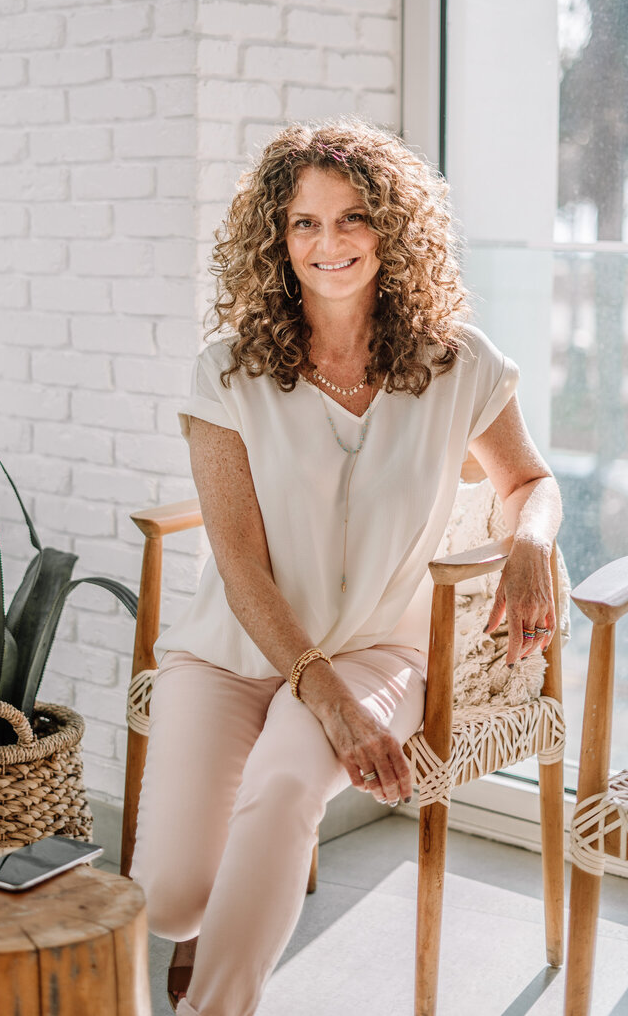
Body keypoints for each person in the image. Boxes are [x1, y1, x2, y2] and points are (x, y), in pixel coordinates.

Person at [131, 119, 561, 1016]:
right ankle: (208, 925)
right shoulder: (229, 372)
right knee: (171, 898)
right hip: (230, 649)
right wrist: (316, 688)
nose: (330, 244)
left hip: (376, 648)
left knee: (288, 780)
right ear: (277, 239)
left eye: (354, 218)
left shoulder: (458, 360)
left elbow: (528, 480)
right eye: (304, 224)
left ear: (392, 229)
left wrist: (530, 540)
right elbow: (240, 561)